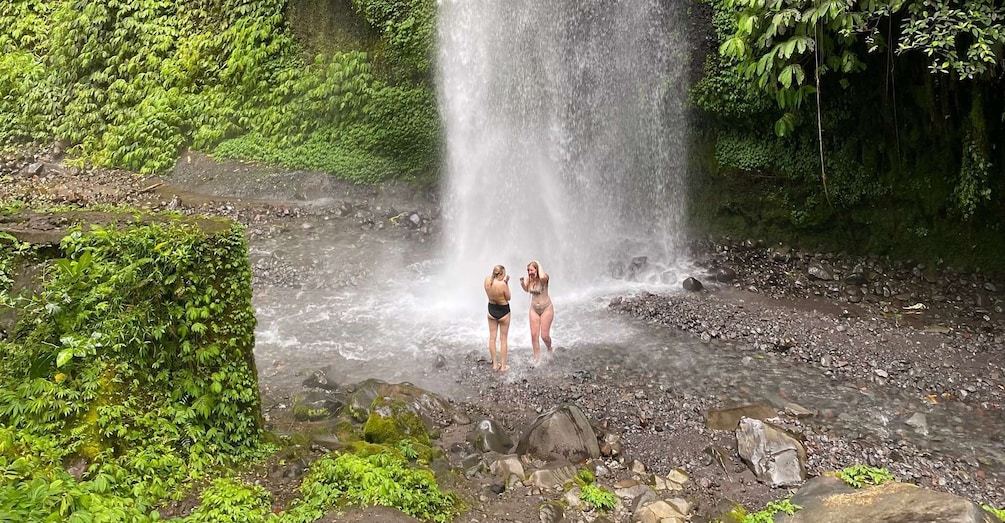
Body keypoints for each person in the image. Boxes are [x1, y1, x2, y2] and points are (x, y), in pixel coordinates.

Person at [519, 260, 553, 363]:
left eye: (532, 270)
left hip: (546, 308)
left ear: (537, 270)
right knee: (534, 335)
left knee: (544, 336)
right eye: (528, 270)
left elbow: (542, 276)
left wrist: (537, 263)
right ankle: (537, 359)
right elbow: (526, 289)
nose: (530, 272)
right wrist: (522, 283)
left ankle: (549, 348)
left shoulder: (544, 278)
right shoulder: (529, 280)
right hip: (534, 309)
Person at [484, 264, 512, 371]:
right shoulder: (502, 284)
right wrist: (506, 284)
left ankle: (495, 364)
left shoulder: (487, 280)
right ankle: (503, 367)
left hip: (491, 310)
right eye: (503, 275)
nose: (503, 277)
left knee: (492, 338)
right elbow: (508, 297)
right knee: (503, 339)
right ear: (500, 274)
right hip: (503, 311)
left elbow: (490, 291)